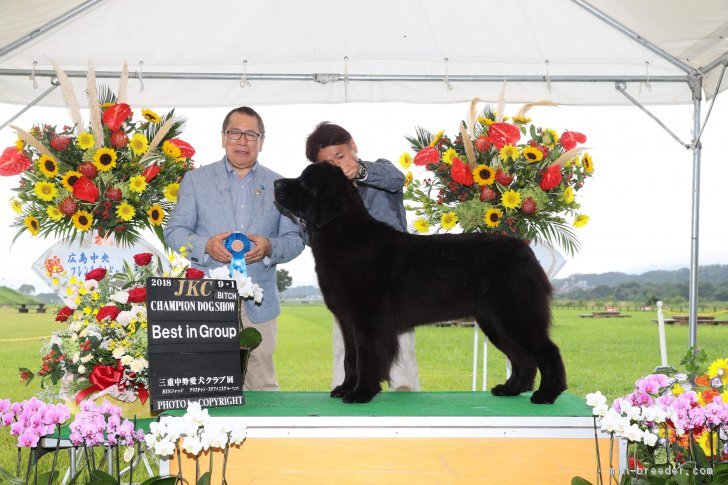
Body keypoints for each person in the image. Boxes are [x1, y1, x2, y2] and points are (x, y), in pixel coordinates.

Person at [165, 106, 304, 391]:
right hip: (206, 301)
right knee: (205, 383)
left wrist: (268, 248)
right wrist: (205, 245)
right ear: (223, 137)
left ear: (261, 141)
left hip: (259, 306)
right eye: (235, 133)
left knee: (262, 386)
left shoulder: (280, 185)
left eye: (251, 134)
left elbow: (295, 240)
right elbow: (174, 232)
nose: (243, 141)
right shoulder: (195, 181)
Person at [304, 122, 420, 392]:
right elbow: (308, 236)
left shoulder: (380, 171)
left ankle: (407, 420)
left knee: (402, 362)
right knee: (344, 355)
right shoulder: (322, 197)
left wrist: (362, 170)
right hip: (349, 292)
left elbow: (396, 178)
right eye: (328, 164)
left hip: (394, 292)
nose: (338, 165)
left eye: (341, 156)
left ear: (353, 146)